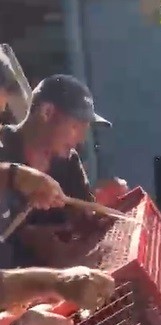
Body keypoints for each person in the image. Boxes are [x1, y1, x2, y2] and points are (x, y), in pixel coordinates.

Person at [0, 73, 128, 267]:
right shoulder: (4, 149)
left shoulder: (68, 162)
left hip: (54, 284)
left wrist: (102, 205)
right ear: (47, 112)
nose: (82, 140)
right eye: (76, 127)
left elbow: (84, 220)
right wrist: (30, 237)